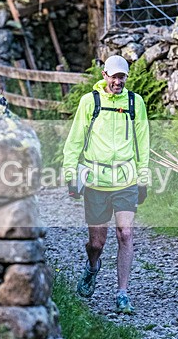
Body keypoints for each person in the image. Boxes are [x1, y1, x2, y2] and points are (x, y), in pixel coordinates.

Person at [62, 55, 150, 314]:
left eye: (122, 76)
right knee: (97, 244)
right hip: (96, 181)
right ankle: (92, 267)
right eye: (113, 76)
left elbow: (143, 143)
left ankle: (122, 293)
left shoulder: (135, 103)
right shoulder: (90, 102)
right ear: (104, 75)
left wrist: (143, 178)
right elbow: (75, 140)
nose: (117, 81)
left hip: (126, 179)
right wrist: (71, 175)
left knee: (125, 234)